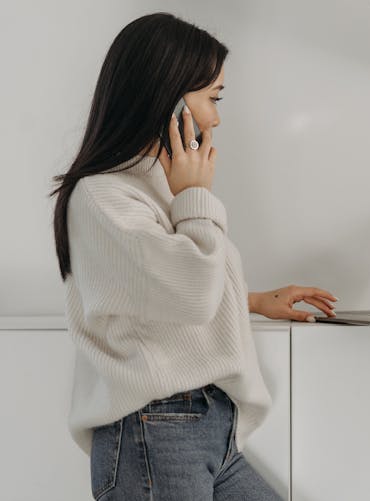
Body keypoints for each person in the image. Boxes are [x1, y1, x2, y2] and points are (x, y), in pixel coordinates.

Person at [48, 12, 337, 500]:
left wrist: (255, 299)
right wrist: (195, 195)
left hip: (204, 430)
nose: (218, 117)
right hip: (153, 430)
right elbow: (191, 292)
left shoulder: (154, 187)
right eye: (213, 98)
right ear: (168, 96)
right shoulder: (103, 197)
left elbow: (157, 295)